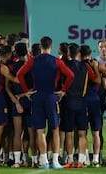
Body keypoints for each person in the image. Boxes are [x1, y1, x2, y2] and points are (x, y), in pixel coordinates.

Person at [17, 36, 75, 169]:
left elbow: (20, 74)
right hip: (51, 97)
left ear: (41, 46)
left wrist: (26, 91)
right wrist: (63, 91)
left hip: (37, 97)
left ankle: (44, 161)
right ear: (51, 46)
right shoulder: (56, 61)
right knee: (55, 129)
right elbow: (71, 75)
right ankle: (55, 161)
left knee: (39, 131)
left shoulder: (33, 61)